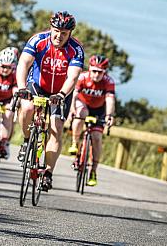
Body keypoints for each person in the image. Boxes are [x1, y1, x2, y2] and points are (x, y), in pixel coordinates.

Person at [15, 11, 84, 192]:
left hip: (61, 92)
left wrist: (61, 95)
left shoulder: (75, 49)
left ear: (70, 34)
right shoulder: (38, 40)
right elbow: (23, 64)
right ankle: (26, 139)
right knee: (27, 108)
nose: (58, 36)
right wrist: (22, 88)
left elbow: (73, 76)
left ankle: (48, 172)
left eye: (63, 33)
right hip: (37, 84)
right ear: (50, 28)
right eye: (56, 31)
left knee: (56, 127)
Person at [68, 54, 116, 186]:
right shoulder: (83, 77)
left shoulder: (108, 81)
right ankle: (74, 143)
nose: (96, 75)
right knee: (81, 113)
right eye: (94, 71)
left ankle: (93, 171)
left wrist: (109, 116)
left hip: (99, 110)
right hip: (83, 104)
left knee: (96, 138)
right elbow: (74, 95)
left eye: (100, 72)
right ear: (89, 69)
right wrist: (71, 110)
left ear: (104, 72)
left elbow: (110, 99)